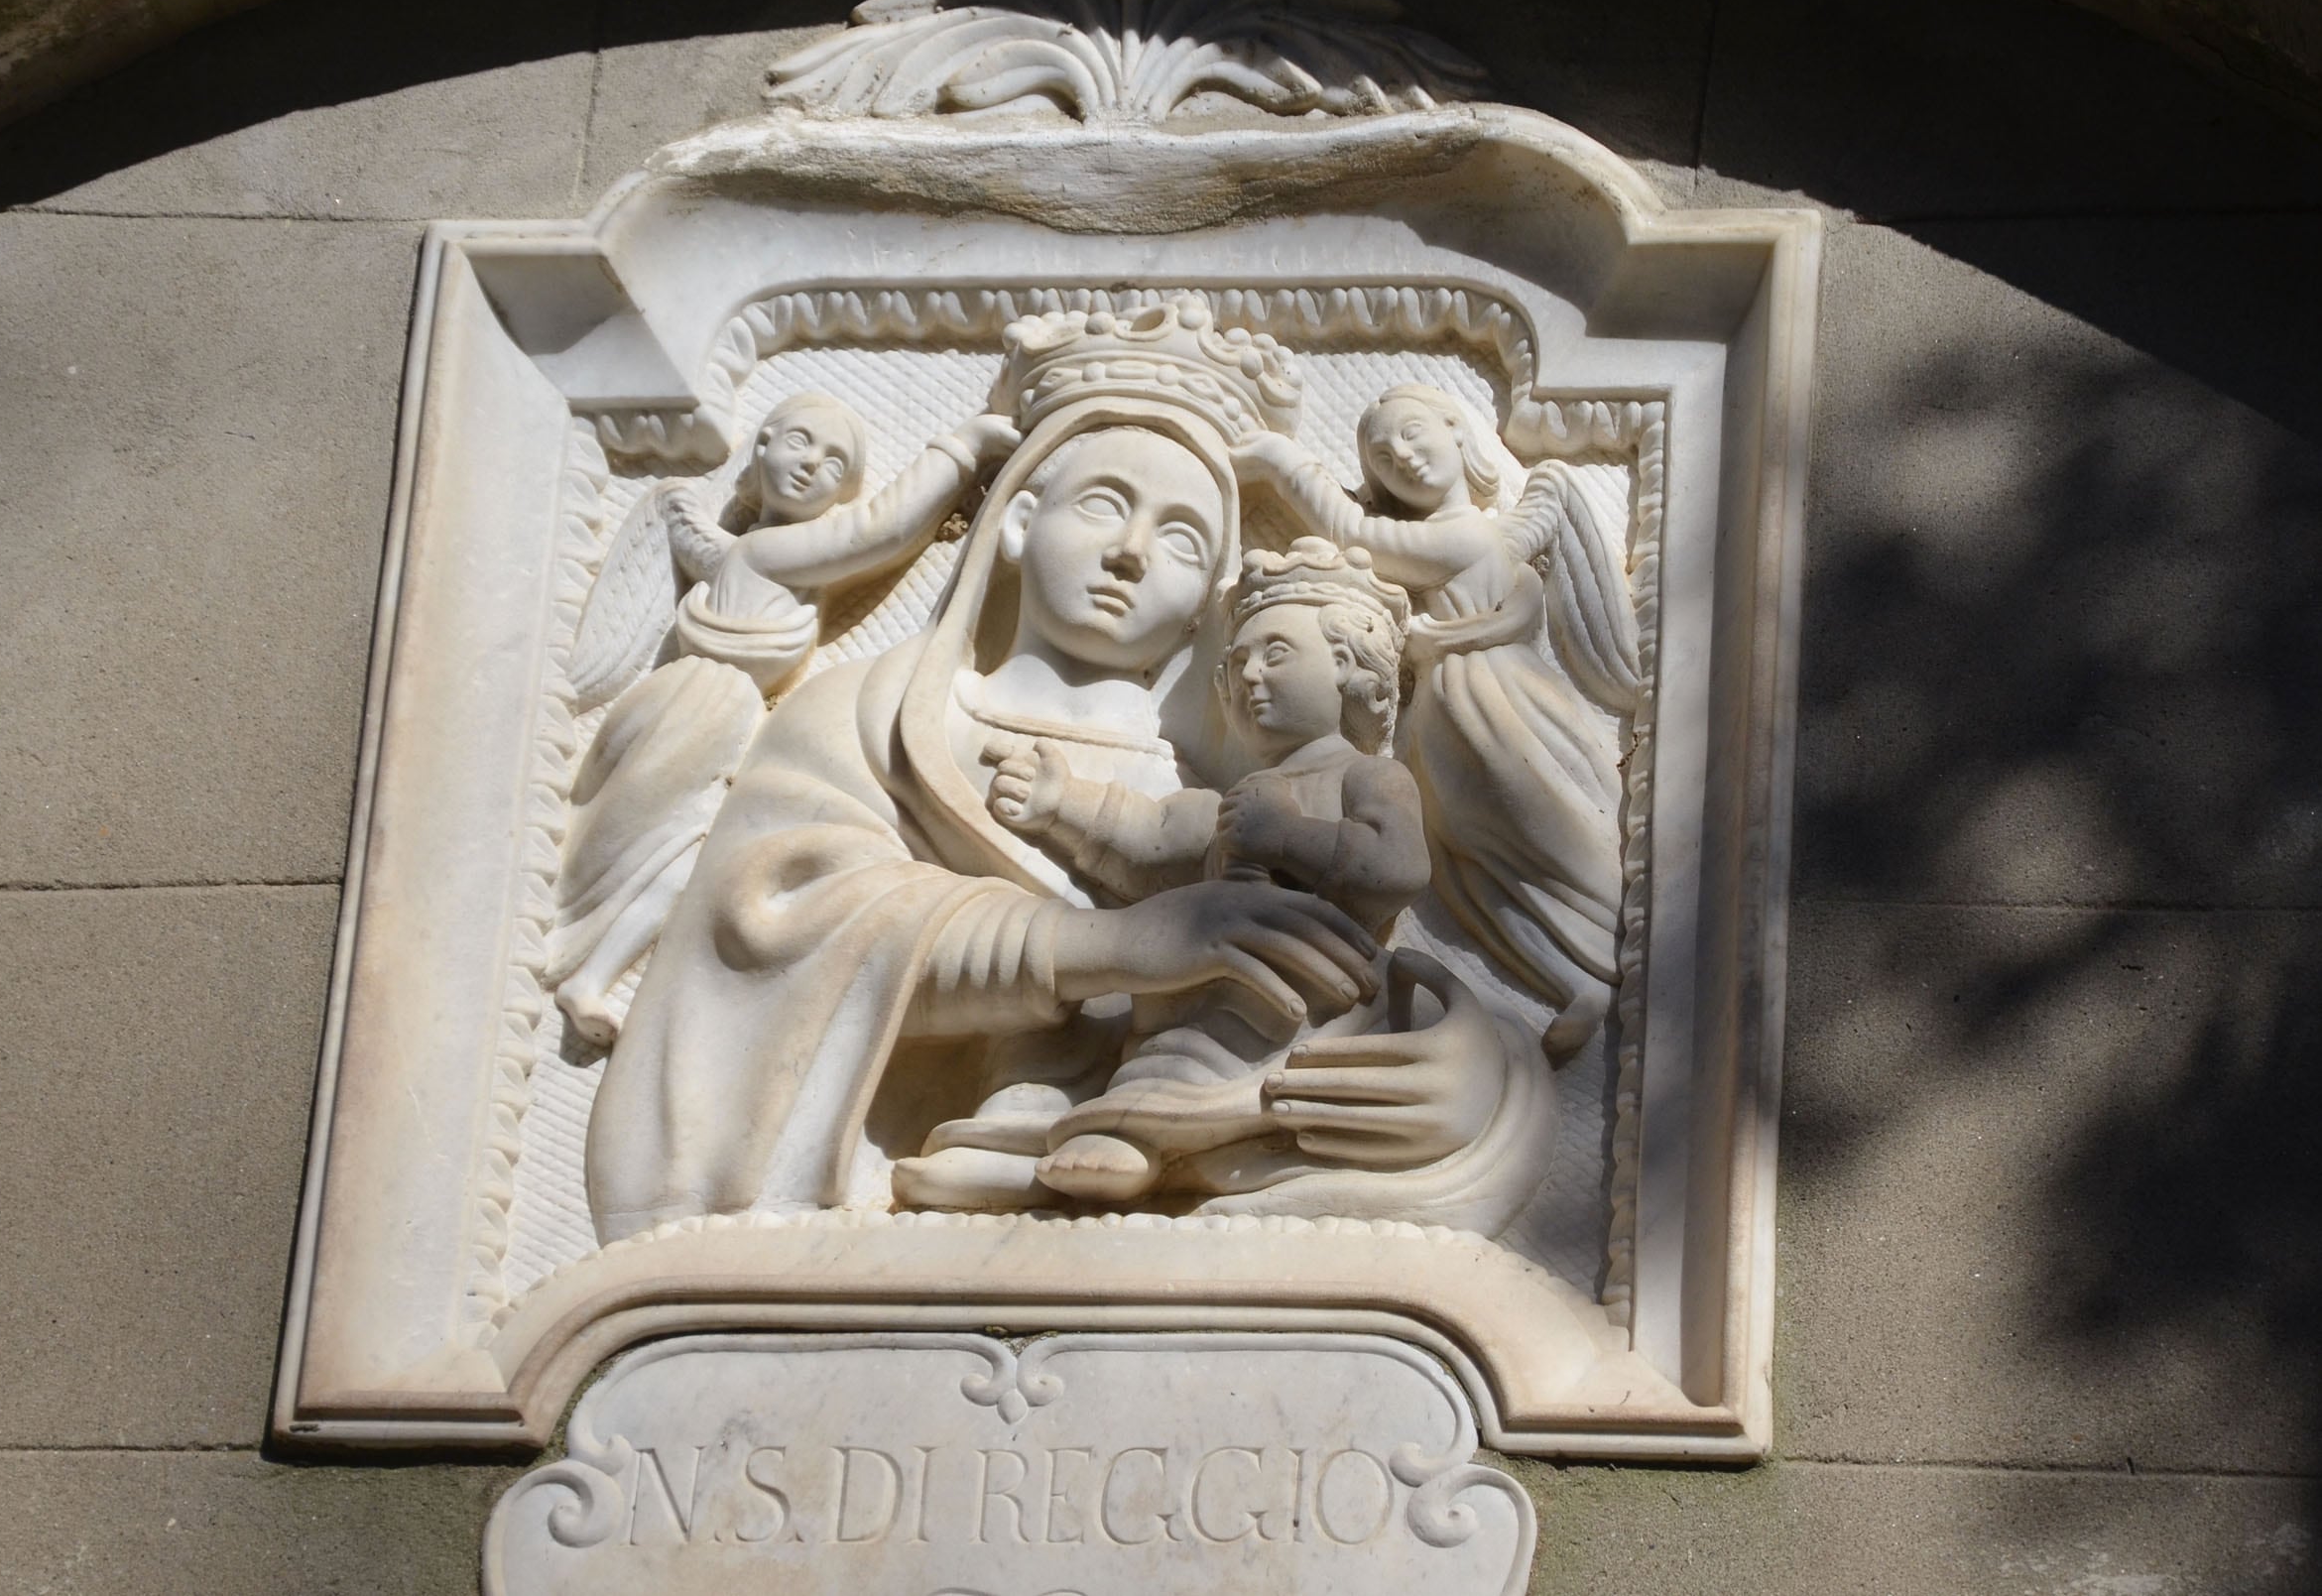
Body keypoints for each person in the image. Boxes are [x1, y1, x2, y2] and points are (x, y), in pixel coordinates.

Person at [582, 301, 1551, 1242]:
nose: (1131, 555)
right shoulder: (873, 715)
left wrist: (1451, 1066)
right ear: (1015, 520)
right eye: (1103, 505)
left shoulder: (1236, 758)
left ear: (1204, 594)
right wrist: (1116, 944)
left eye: (1181, 540)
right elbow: (768, 940)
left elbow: (1387, 938)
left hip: (1234, 1083)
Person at [545, 392, 1017, 1044]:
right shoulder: (763, 553)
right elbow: (880, 529)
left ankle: (591, 977)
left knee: (689, 852)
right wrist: (962, 446)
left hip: (716, 710)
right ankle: (584, 960)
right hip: (701, 710)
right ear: (760, 447)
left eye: (831, 464)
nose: (808, 465)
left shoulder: (743, 552)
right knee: (661, 843)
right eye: (799, 442)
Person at [981, 537, 1434, 1203]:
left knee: (1223, 1039)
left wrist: (1283, 835)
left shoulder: (1368, 776)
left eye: (1276, 654)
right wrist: (1059, 804)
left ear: (1345, 666)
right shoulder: (1230, 802)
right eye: (1237, 662)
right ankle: (1122, 1126)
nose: (1250, 676)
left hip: (1318, 993)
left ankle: (1152, 1132)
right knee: (1164, 1029)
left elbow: (1399, 866)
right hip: (1208, 995)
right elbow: (1151, 842)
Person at [1238, 383, 1640, 1060]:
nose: (1403, 457)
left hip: (1503, 708)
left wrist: (1285, 465)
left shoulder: (1467, 535)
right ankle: (1574, 979)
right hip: (1449, 722)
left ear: (1458, 433)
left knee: (1546, 829)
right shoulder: (1467, 540)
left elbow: (1357, 534)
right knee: (1478, 870)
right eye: (1384, 459)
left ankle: (1605, 957)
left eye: (1414, 434)